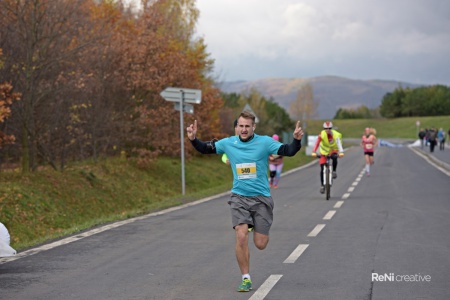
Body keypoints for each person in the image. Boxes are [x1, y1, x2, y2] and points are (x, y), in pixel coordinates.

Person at [186, 111, 303, 292]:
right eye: (241, 126)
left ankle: (254, 224)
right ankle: (246, 278)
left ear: (253, 127)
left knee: (260, 244)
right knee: (241, 236)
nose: (244, 129)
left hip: (261, 198)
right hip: (239, 197)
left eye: (247, 126)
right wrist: (194, 139)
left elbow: (288, 151)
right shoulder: (228, 143)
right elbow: (204, 148)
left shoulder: (264, 142)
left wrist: (296, 140)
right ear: (236, 128)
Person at [311, 121, 344, 193]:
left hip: (333, 150)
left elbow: (339, 144)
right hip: (324, 151)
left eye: (329, 128)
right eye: (326, 128)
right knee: (322, 168)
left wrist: (341, 152)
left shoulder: (336, 135)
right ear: (324, 129)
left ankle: (334, 171)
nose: (327, 130)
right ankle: (322, 185)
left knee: (334, 157)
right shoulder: (321, 134)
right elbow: (317, 143)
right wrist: (314, 151)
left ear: (331, 128)